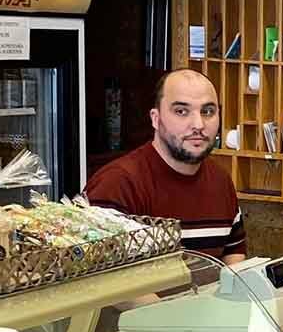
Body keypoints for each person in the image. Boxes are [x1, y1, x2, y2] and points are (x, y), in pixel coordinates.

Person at [84, 69, 247, 263]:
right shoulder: (116, 185)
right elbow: (103, 280)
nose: (198, 124)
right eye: (181, 111)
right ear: (155, 118)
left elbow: (234, 257)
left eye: (208, 112)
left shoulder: (221, 181)